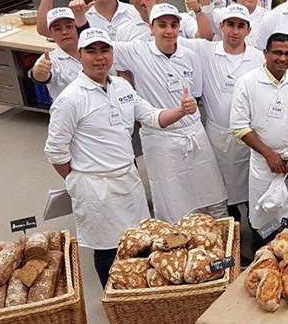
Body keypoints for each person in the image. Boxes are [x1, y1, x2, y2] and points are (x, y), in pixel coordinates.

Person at [44, 28, 196, 286]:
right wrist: (77, 179)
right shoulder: (70, 99)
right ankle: (112, 298)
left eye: (104, 50)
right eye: (91, 51)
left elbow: (151, 117)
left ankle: (136, 298)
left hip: (128, 180)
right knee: (107, 251)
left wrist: (181, 111)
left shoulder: (122, 87)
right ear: (80, 55)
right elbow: (56, 151)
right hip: (96, 188)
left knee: (138, 243)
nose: (99, 57)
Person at [110, 3, 228, 222]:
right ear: (151, 28)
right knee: (173, 200)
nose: (168, 31)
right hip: (160, 139)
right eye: (162, 25)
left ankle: (224, 236)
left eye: (173, 25)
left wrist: (190, 106)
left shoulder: (190, 55)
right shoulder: (137, 51)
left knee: (212, 193)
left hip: (193, 133)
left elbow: (196, 92)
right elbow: (98, 48)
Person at [230, 33, 288, 246]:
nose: (282, 58)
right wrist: (269, 155)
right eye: (277, 53)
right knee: (267, 221)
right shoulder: (248, 82)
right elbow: (239, 126)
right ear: (265, 53)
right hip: (264, 164)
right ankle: (264, 255)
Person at [193, 3, 263, 224]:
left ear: (248, 30)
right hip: (217, 138)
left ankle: (257, 234)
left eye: (241, 26)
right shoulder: (206, 52)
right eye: (230, 24)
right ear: (221, 26)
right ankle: (231, 235)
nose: (235, 31)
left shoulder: (258, 58)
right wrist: (198, 10)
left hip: (250, 138)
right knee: (222, 196)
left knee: (253, 193)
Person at [30, 4, 81, 102]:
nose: (64, 32)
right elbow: (40, 76)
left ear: (76, 28)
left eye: (69, 26)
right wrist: (38, 72)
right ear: (50, 34)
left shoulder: (92, 49)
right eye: (58, 29)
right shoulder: (50, 59)